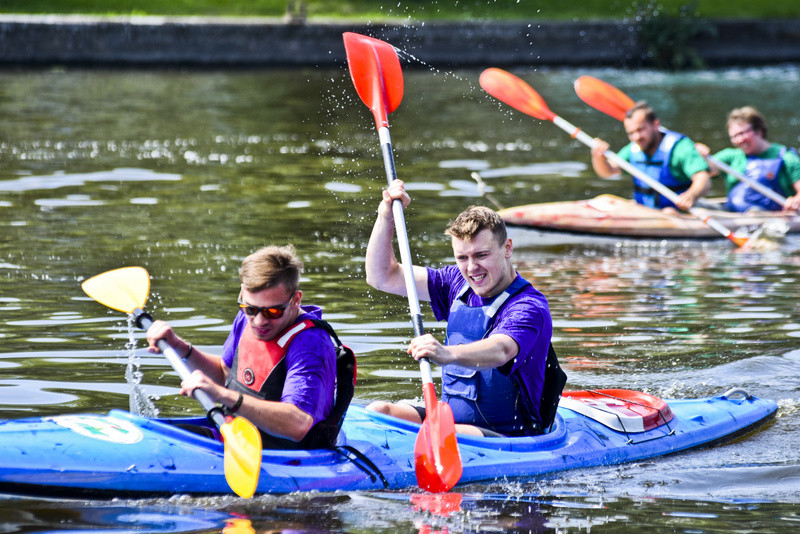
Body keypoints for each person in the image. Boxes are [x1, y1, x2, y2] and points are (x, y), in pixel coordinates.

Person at [365, 180, 559, 438]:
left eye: (481, 255)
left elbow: (501, 349)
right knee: (378, 410)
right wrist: (385, 215)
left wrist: (448, 353)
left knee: (447, 434)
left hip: (505, 435)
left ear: (508, 248)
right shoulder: (455, 283)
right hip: (450, 423)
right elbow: (381, 276)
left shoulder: (528, 306)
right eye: (462, 258)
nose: (471, 268)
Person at [146, 245, 354, 449]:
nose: (259, 321)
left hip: (285, 455)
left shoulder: (310, 344)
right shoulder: (246, 318)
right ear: (242, 295)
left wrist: (222, 395)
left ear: (295, 300)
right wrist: (178, 346)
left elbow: (298, 424)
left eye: (273, 312)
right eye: (251, 308)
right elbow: (225, 374)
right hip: (236, 436)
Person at [591, 101, 712, 212]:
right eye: (631, 133)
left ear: (656, 124)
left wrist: (690, 195)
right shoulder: (633, 148)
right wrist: (598, 156)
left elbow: (704, 180)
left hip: (679, 212)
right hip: (645, 211)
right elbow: (608, 172)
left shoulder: (680, 148)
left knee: (669, 212)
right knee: (606, 200)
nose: (636, 137)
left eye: (640, 129)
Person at [694, 106, 800, 213]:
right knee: (694, 204)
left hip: (768, 215)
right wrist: (698, 155)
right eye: (734, 137)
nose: (739, 140)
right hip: (732, 213)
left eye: (742, 134)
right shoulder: (730, 156)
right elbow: (701, 171)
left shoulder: (786, 158)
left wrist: (795, 201)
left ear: (758, 131)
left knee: (754, 212)